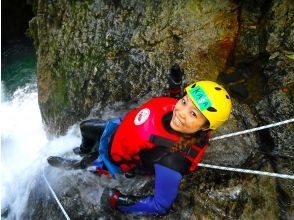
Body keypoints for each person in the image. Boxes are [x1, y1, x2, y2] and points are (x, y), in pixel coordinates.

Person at [47, 65, 232, 215]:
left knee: (88, 164)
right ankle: (83, 149)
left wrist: (116, 201)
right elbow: (174, 106)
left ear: (205, 127)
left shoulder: (172, 161)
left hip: (119, 157)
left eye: (193, 114)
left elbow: (161, 205)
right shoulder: (180, 116)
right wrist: (175, 88)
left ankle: (76, 163)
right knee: (86, 127)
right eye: (184, 101)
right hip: (122, 130)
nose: (181, 113)